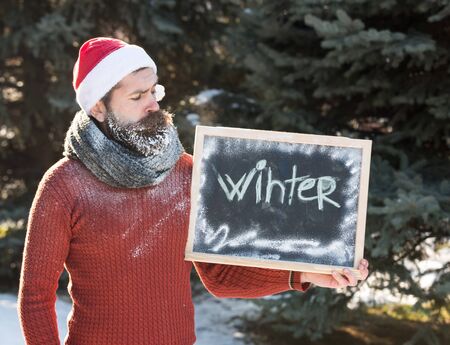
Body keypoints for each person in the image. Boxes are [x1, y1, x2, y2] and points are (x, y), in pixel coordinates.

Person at [17, 37, 370, 345]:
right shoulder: (65, 185)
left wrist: (304, 273)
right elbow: (35, 298)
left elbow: (220, 276)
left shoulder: (186, 172)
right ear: (98, 107)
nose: (152, 103)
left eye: (153, 90)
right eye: (137, 95)